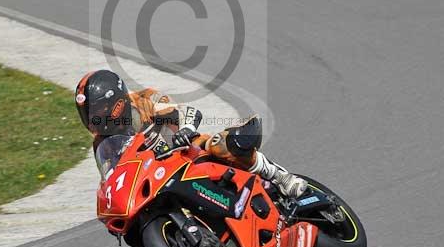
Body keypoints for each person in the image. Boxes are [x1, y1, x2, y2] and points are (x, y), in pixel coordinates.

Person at [75, 69, 308, 198]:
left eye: (97, 111)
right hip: (154, 178)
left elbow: (182, 112)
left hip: (185, 151)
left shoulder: (144, 100)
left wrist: (185, 130)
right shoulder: (101, 144)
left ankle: (280, 177)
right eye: (87, 113)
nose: (93, 119)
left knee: (220, 145)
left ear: (116, 103)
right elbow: (112, 178)